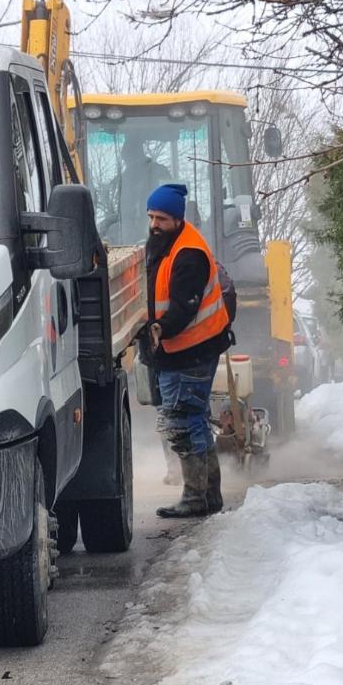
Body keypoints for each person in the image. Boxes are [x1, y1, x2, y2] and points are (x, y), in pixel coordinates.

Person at [140, 181, 232, 518]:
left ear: (177, 219)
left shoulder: (187, 255)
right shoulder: (168, 244)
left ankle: (196, 498)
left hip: (188, 352)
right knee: (193, 420)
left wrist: (159, 328)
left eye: (161, 218)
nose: (154, 224)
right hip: (183, 351)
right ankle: (208, 495)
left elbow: (183, 308)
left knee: (183, 422)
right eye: (151, 216)